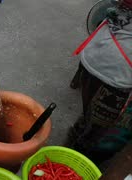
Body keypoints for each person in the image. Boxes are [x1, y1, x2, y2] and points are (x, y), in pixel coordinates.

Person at [67, 2, 132, 168]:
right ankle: (75, 161)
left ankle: (72, 149)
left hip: (99, 52)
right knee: (100, 135)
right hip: (116, 68)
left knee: (91, 117)